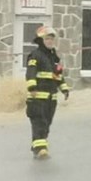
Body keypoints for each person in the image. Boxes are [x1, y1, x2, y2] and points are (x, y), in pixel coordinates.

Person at [23, 25, 70, 159]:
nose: (50, 41)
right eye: (47, 39)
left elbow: (58, 75)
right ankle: (40, 149)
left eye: (51, 39)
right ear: (40, 41)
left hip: (51, 98)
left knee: (47, 123)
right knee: (39, 122)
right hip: (37, 96)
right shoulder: (35, 55)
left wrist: (64, 88)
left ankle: (37, 145)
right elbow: (30, 72)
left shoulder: (55, 58)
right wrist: (32, 87)